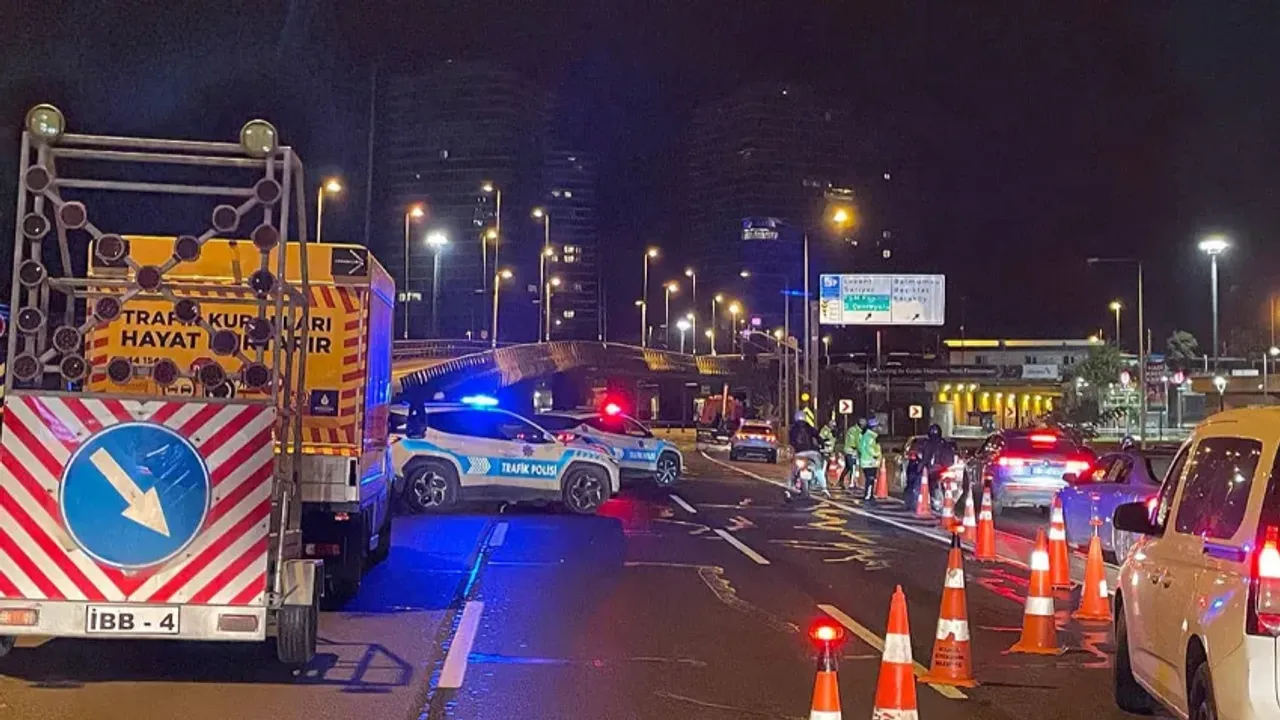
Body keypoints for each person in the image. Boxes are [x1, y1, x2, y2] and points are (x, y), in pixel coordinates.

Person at [915, 423, 957, 510]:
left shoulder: (928, 444)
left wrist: (920, 467)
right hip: (946, 468)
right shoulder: (945, 443)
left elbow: (926, 458)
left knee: (927, 480)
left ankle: (934, 499)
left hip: (935, 470)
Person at [788, 410, 825, 498]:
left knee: (793, 471)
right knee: (818, 468)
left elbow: (791, 441)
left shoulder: (793, 428)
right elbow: (818, 436)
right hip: (812, 452)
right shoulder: (809, 427)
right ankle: (824, 486)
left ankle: (789, 486)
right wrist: (822, 445)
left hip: (799, 453)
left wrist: (793, 449)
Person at [858, 417, 883, 500]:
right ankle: (868, 495)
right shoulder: (870, 437)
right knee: (870, 479)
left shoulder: (866, 435)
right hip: (870, 462)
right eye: (877, 426)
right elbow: (870, 449)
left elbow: (860, 447)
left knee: (870, 479)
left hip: (866, 461)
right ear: (873, 427)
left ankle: (869, 494)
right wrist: (877, 454)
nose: (879, 428)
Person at [837, 418, 865, 491]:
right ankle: (852, 484)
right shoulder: (857, 432)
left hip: (847, 450)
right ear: (861, 425)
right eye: (864, 425)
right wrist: (862, 451)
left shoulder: (851, 429)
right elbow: (858, 443)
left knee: (848, 467)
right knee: (853, 467)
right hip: (852, 451)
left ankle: (841, 480)